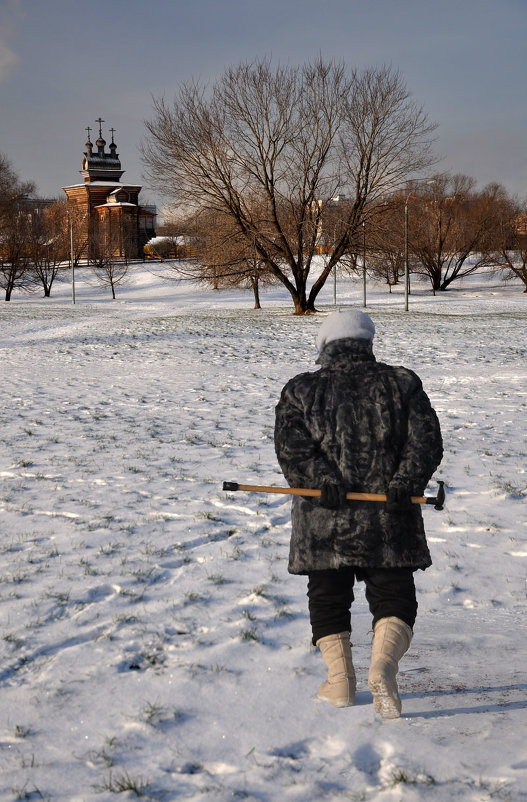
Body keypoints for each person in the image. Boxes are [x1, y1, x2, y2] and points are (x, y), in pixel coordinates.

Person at [274, 309, 443, 719]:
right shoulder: (402, 384)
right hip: (390, 517)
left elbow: (292, 449)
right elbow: (426, 444)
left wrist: (319, 479)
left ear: (325, 346)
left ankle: (340, 684)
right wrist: (405, 483)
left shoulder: (300, 390)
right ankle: (383, 667)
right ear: (367, 343)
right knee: (394, 597)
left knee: (328, 599)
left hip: (323, 521)